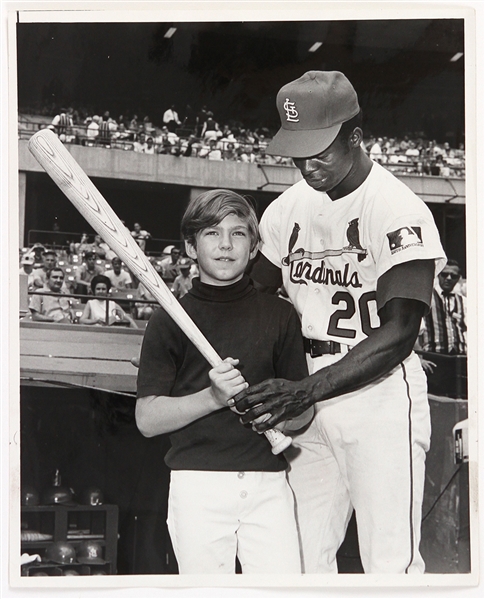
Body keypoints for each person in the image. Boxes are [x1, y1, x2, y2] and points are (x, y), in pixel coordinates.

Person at [234, 71, 447, 574]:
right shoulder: (288, 208)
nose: (308, 165)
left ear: (354, 135)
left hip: (377, 396)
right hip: (306, 392)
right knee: (299, 562)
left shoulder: (396, 208)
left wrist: (307, 390)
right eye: (298, 151)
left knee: (388, 564)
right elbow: (256, 295)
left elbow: (398, 333)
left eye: (321, 150)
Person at [135, 189, 311, 574]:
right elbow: (147, 419)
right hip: (197, 483)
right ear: (190, 246)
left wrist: (277, 413)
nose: (226, 245)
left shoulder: (280, 315)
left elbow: (304, 411)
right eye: (212, 233)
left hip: (268, 482)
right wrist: (212, 398)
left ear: (253, 248)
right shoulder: (169, 319)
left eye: (238, 233)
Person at [420, 259, 466, 356]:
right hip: (433, 355)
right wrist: (420, 357)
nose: (448, 278)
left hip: (459, 355)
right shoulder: (426, 298)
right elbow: (414, 330)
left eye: (453, 276)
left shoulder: (463, 301)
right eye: (445, 274)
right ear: (438, 275)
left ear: (458, 278)